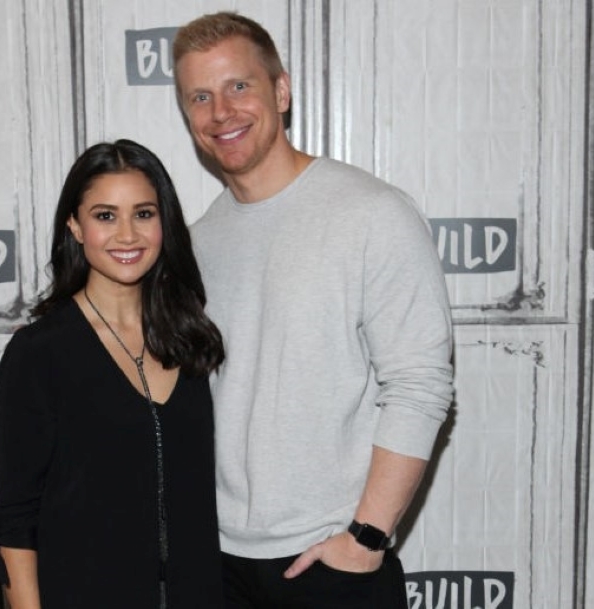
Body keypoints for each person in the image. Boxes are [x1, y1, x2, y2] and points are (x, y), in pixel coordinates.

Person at [172, 11, 454, 608]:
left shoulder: (372, 213)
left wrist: (366, 538)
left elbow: (420, 384)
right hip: (219, 563)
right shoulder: (197, 242)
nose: (221, 111)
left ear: (282, 90)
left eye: (239, 86)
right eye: (201, 96)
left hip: (331, 560)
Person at [0, 139, 226, 608]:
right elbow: (16, 516)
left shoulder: (191, 338)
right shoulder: (40, 352)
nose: (127, 235)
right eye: (106, 216)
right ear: (76, 225)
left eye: (144, 214)